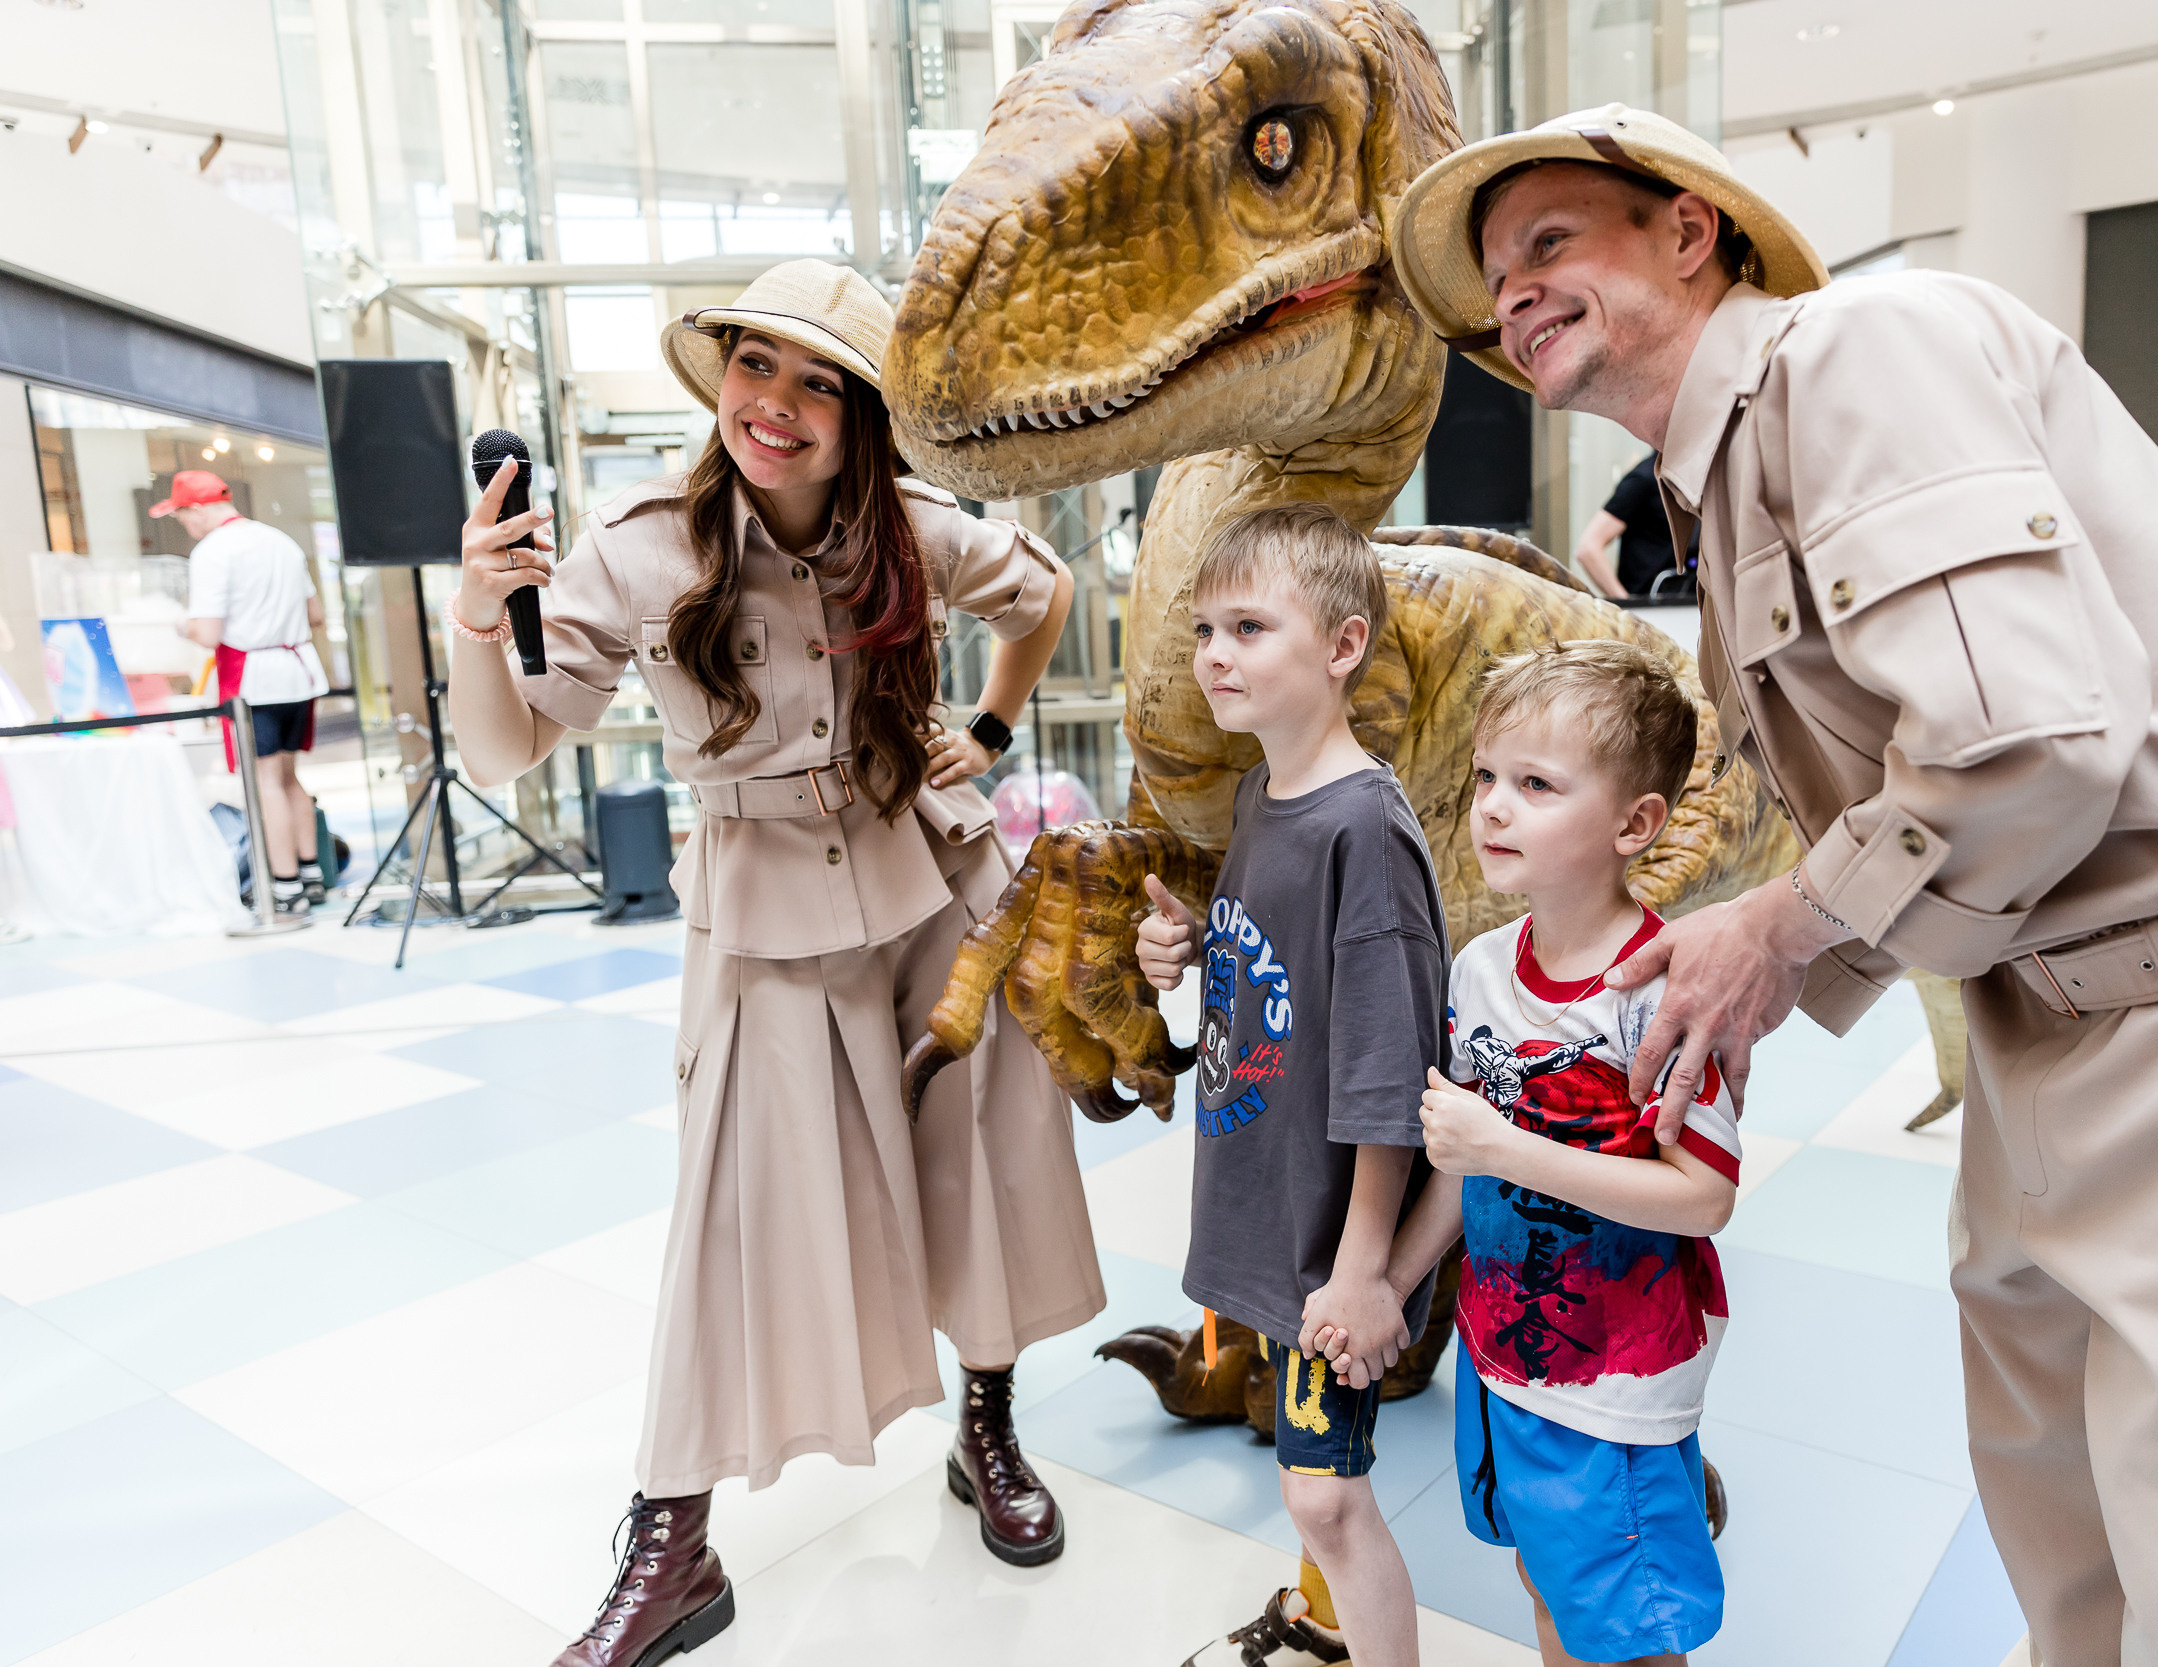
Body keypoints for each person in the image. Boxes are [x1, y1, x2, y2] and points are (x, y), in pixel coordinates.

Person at [1390, 107, 2158, 1666]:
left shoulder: (1853, 356)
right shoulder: (1721, 482)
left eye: (1550, 242)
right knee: (2078, 1557)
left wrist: (1781, 932)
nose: (1517, 295)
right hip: (2049, 1027)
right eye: (1500, 278)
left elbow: (2028, 738)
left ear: (1691, 230)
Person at [445, 259, 1103, 1667]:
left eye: (821, 381)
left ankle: (986, 1422)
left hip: (935, 880)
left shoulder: (916, 530)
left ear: (865, 415)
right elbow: (508, 747)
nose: (779, 404)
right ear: (720, 379)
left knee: (973, 1156)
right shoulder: (638, 547)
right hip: (759, 909)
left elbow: (1042, 590)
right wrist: (472, 619)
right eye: (757, 365)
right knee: (728, 1216)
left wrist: (984, 730)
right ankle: (671, 1537)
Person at [1365, 639, 1738, 1667]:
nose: (1491, 805)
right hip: (1506, 1348)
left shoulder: (1664, 989)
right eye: (1488, 776)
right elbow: (1465, 1155)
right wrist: (1397, 1284)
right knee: (1547, 1585)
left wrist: (1506, 1145)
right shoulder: (1484, 966)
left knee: (1623, 1629)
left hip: (1615, 1381)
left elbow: (1703, 1195)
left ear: (1634, 823)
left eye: (1535, 784)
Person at [1135, 503, 1448, 1667]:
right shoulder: (1267, 799)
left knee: (1327, 1496)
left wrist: (1365, 1268)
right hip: (1267, 1209)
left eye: (1250, 625)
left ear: (1342, 645)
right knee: (1301, 1478)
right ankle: (1324, 1625)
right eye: (1206, 627)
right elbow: (1277, 986)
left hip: (1330, 1240)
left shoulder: (1362, 828)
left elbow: (1384, 1071)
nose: (1215, 652)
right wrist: (1184, 952)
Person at [166, 470, 331, 909]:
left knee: (265, 783)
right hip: (298, 671)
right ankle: (311, 873)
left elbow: (207, 632)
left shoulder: (212, 551)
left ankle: (285, 884)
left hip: (255, 679)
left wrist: (179, 623)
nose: (185, 525)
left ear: (196, 510)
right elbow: (315, 614)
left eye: (182, 517)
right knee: (290, 776)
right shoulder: (280, 541)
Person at [1571, 454, 1694, 603]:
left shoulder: (1692, 480)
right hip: (1651, 607)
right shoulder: (1644, 479)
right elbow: (1588, 548)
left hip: (1689, 606)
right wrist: (1628, 604)